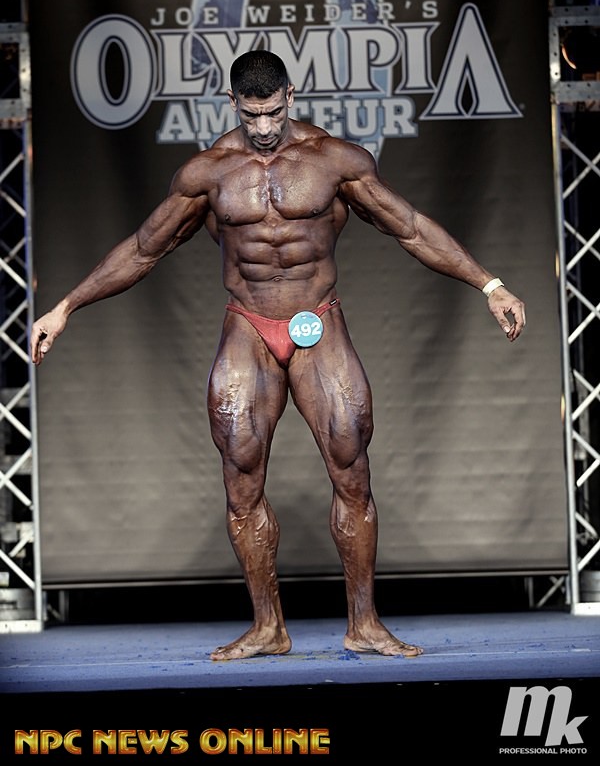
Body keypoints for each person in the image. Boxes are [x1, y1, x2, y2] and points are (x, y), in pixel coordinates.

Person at [30, 50, 526, 660]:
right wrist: (66, 307)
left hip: (318, 318)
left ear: (291, 95)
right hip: (248, 323)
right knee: (240, 473)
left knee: (351, 462)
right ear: (232, 103)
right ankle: (268, 627)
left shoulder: (336, 161)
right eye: (251, 114)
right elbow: (142, 249)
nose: (264, 127)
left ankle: (365, 624)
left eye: (272, 112)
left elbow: (411, 227)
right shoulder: (208, 173)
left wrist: (489, 285)